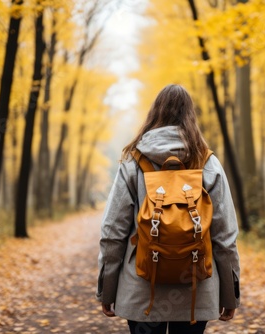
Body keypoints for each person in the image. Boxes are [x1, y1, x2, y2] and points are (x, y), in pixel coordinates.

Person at [96, 84, 240, 334]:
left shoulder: (133, 161)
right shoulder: (208, 163)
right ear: (190, 116)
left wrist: (106, 290)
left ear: (154, 114)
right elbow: (225, 237)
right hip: (196, 291)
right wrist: (230, 295)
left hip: (142, 290)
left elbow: (112, 232)